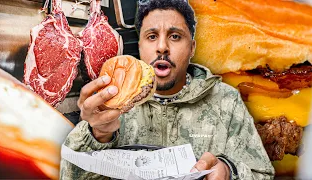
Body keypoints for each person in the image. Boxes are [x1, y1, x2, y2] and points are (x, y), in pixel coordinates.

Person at [60, 0, 274, 179]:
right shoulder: (107, 107)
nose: (162, 47)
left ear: (192, 48)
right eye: (152, 36)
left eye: (175, 36)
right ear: (140, 46)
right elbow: (68, 174)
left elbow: (262, 173)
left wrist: (229, 171)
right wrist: (97, 135)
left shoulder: (226, 100)